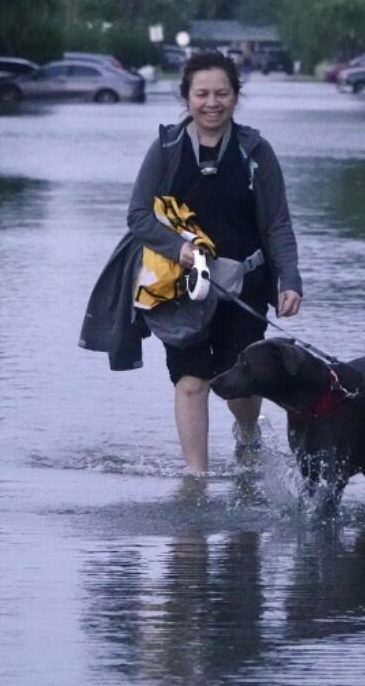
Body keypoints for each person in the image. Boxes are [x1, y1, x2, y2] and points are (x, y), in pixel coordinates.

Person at [127, 51, 301, 474]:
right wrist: (179, 250)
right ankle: (196, 477)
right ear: (186, 96)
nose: (211, 102)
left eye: (222, 93)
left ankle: (247, 434)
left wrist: (289, 280)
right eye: (201, 93)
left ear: (236, 96)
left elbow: (277, 221)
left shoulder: (256, 150)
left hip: (245, 286)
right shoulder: (166, 147)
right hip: (179, 287)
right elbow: (138, 216)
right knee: (191, 381)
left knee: (239, 385)